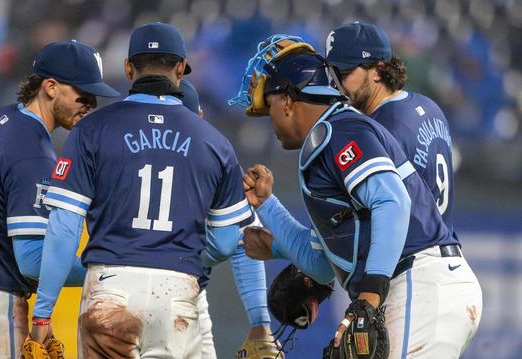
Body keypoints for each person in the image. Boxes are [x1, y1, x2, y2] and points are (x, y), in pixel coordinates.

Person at [230, 35, 482, 358]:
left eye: (271, 107)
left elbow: (392, 201)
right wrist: (267, 205)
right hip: (419, 285)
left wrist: (368, 299)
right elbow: (320, 264)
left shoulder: (339, 130)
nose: (272, 121)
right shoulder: (329, 139)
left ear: (288, 102)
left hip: (418, 283)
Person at [29, 22, 251, 358]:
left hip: (111, 287)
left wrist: (43, 311)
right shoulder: (215, 142)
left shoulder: (92, 130)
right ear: (180, 69)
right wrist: (180, 254)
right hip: (178, 288)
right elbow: (223, 243)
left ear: (129, 68)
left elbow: (64, 229)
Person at [0, 39, 119, 358]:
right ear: (51, 87)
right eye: (83, 93)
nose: (91, 103)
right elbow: (32, 262)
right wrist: (104, 271)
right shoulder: (34, 153)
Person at [180, 78, 283, 359]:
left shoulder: (117, 144)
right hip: (179, 295)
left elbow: (243, 237)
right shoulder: (212, 156)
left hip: (120, 289)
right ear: (200, 117)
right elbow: (240, 238)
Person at [326, 21, 456, 234]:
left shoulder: (378, 130)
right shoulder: (429, 107)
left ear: (378, 70)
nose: (335, 84)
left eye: (343, 73)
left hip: (412, 257)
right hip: (447, 252)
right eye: (331, 75)